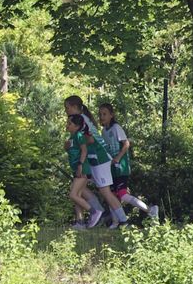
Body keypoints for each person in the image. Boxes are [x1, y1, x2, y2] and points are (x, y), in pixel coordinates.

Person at [65, 95, 129, 229]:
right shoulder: (79, 119)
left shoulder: (81, 120)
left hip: (100, 157)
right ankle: (93, 215)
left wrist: (75, 145)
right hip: (92, 159)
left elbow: (91, 140)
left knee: (105, 191)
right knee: (79, 188)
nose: (66, 111)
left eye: (67, 108)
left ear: (74, 107)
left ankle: (123, 221)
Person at [96, 102, 151, 219]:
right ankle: (116, 221)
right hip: (111, 168)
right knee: (112, 195)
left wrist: (118, 158)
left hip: (121, 167)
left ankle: (150, 210)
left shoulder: (116, 128)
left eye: (104, 114)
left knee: (122, 194)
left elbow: (126, 144)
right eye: (100, 114)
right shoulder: (104, 131)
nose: (102, 117)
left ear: (111, 115)